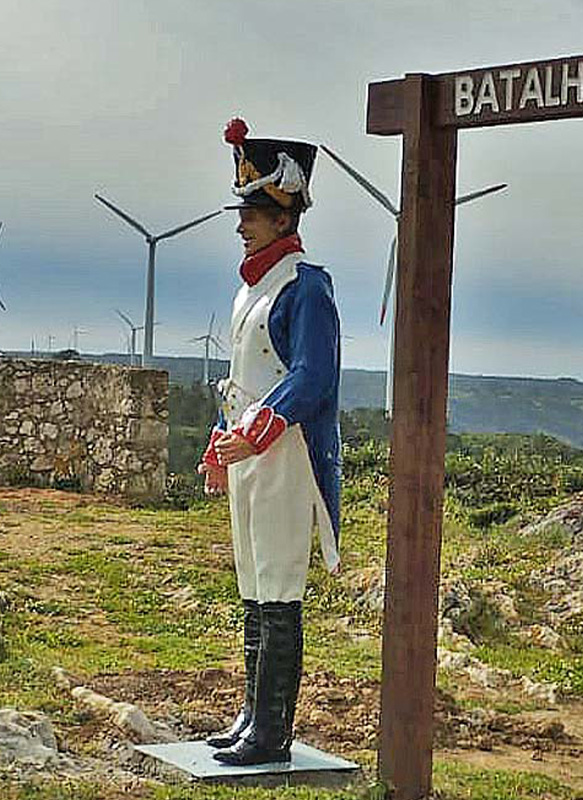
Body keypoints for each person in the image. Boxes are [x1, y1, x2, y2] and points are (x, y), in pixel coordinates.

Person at [196, 117, 342, 766]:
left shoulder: (306, 286)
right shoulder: (251, 289)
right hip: (252, 453)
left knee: (280, 587)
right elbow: (243, 379)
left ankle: (273, 730)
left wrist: (255, 432)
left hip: (285, 457)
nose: (242, 221)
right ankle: (253, 714)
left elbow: (311, 378)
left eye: (254, 208)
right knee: (254, 584)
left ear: (285, 213)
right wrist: (225, 439)